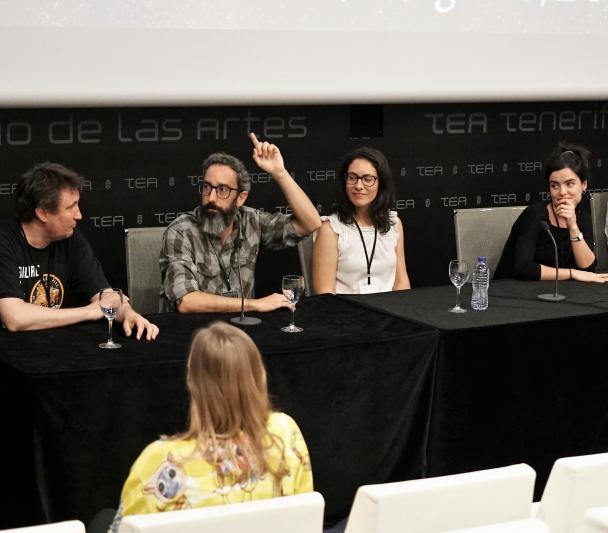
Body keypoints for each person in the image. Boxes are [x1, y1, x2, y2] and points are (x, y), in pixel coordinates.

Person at [109, 321, 312, 531]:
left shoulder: (160, 462)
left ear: (192, 382)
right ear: (259, 377)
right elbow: (304, 520)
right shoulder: (285, 432)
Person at [160, 133, 321, 313]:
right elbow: (186, 302)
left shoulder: (252, 221)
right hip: (192, 333)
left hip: (240, 330)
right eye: (207, 187)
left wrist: (280, 173)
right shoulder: (181, 231)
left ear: (241, 198)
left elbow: (311, 223)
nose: (211, 198)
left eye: (222, 190)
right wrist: (254, 304)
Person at [0, 162, 159, 338]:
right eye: (70, 207)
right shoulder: (5, 242)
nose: (79, 215)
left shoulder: (70, 238)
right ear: (43, 213)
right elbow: (14, 318)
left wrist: (128, 314)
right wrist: (89, 312)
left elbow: (106, 296)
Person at [495, 143, 608, 283]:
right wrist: (572, 273)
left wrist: (573, 226)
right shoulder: (535, 214)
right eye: (555, 185)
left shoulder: (582, 217)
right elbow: (523, 269)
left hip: (560, 295)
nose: (562, 192)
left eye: (569, 184)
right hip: (513, 292)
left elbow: (587, 268)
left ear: (583, 185)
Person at [312, 146, 410, 294]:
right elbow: (324, 294)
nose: (358, 186)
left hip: (389, 312)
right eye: (352, 178)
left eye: (367, 179)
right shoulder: (331, 229)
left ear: (381, 183)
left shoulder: (394, 224)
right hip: (345, 314)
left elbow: (401, 282)